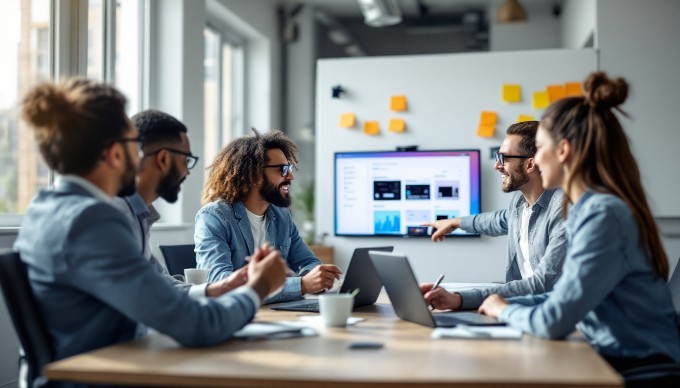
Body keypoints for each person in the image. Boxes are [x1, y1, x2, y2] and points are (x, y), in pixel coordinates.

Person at [13, 78, 286, 367]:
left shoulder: (47, 208)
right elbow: (196, 326)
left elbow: (158, 287)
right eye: (135, 144)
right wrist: (258, 288)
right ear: (116, 153)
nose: (141, 154)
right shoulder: (93, 221)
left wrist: (220, 289)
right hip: (100, 379)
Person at [478, 72, 680, 373]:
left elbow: (554, 320)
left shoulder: (603, 214)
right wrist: (485, 302)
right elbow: (562, 297)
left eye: (540, 149)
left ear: (562, 151)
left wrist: (504, 310)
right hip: (609, 357)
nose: (535, 162)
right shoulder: (589, 208)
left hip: (638, 370)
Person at [420, 121, 567, 310]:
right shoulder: (519, 204)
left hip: (550, 314)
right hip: (523, 307)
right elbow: (497, 220)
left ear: (530, 163)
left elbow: (543, 284)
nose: (496, 165)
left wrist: (460, 299)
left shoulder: (563, 209)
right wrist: (454, 223)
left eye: (503, 158)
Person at [114, 109, 248, 299]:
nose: (187, 172)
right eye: (186, 160)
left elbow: (158, 281)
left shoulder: (137, 214)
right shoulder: (115, 216)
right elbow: (141, 295)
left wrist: (217, 289)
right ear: (163, 159)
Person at [195, 129, 341, 303]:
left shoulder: (281, 215)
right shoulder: (213, 217)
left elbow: (308, 262)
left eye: (290, 168)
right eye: (283, 169)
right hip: (231, 316)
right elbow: (219, 281)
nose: (291, 176)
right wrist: (300, 285)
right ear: (255, 174)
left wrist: (318, 277)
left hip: (273, 313)